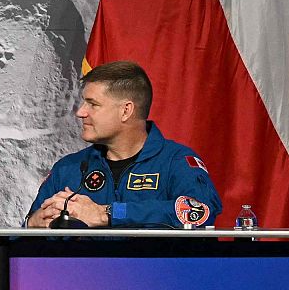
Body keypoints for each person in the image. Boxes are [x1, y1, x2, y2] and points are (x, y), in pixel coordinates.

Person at [25, 60, 221, 229]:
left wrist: (107, 214)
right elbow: (20, 242)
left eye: (93, 104)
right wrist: (32, 224)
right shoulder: (69, 168)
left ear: (126, 111)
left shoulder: (176, 162)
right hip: (79, 272)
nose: (80, 112)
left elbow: (200, 212)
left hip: (157, 272)